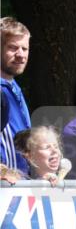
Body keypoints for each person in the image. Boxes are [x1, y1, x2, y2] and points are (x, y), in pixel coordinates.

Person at [1, 17, 31, 177]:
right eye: (13, 48)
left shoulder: (13, 87)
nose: (20, 54)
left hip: (19, 185)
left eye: (24, 49)